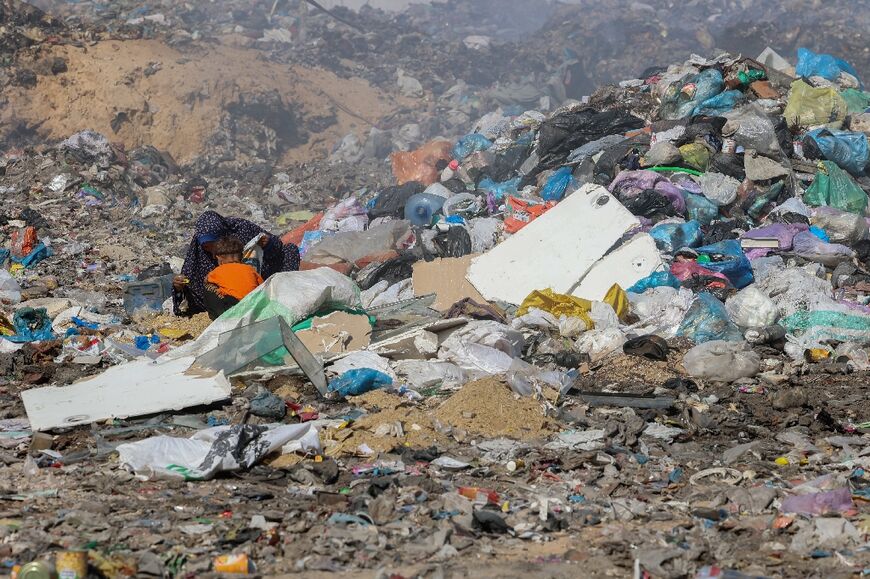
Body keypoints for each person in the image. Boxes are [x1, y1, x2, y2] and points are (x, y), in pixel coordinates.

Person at [173, 211, 300, 317]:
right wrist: (180, 286)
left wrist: (268, 244)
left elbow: (276, 251)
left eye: (216, 245)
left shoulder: (242, 229)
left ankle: (283, 293)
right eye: (207, 247)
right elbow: (192, 282)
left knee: (289, 251)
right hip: (227, 296)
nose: (212, 251)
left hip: (257, 278)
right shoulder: (199, 251)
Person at [199, 236, 263, 319]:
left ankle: (215, 318)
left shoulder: (216, 272)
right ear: (241, 256)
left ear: (219, 257)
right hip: (253, 308)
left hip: (234, 310)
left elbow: (206, 281)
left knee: (208, 285)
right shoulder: (250, 269)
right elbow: (262, 286)